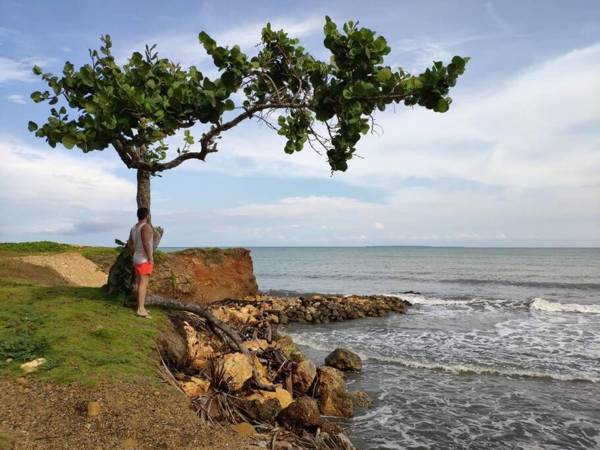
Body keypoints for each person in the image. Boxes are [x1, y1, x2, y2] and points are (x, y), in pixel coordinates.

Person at [127, 207, 154, 318]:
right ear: (147, 215)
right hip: (144, 259)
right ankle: (141, 309)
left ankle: (141, 306)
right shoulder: (146, 227)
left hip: (136, 258)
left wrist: (135, 252)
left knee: (140, 283)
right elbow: (146, 243)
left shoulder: (134, 227)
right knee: (143, 284)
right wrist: (150, 257)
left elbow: (130, 243)